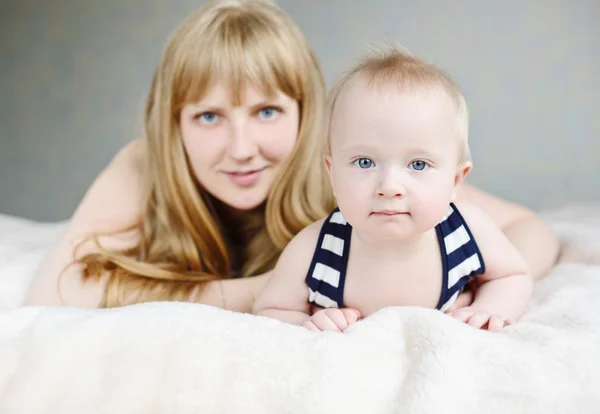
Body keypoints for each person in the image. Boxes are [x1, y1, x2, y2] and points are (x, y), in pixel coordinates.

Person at [25, 0, 559, 312]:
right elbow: (54, 290)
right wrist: (261, 291)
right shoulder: (146, 164)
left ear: (308, 116)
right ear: (173, 125)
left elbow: (531, 230)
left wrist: (475, 290)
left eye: (266, 112)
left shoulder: (354, 174)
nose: (241, 149)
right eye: (208, 117)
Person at [253, 45, 533, 332]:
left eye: (418, 164)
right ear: (332, 173)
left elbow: (512, 276)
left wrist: (486, 309)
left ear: (455, 181)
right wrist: (310, 322)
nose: (389, 187)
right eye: (364, 162)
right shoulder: (316, 247)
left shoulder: (464, 230)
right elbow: (272, 309)